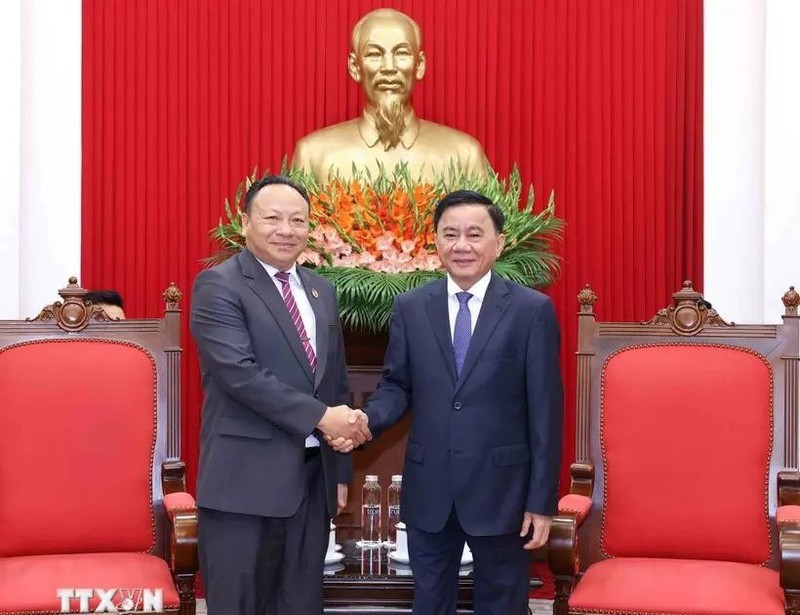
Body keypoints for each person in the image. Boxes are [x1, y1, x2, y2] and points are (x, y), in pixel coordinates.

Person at [330, 190, 563, 614]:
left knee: (503, 604)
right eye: (450, 234)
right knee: (430, 601)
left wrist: (541, 501)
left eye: (475, 234)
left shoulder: (532, 311)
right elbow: (398, 386)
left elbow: (545, 412)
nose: (462, 245)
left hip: (503, 492)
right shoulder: (412, 307)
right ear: (435, 242)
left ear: (499, 242)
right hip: (430, 488)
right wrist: (365, 419)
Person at [189, 175, 372, 614]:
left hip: (311, 481)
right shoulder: (220, 285)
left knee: (301, 603)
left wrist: (340, 468)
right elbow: (239, 374)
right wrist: (321, 418)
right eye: (272, 218)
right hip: (243, 483)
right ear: (245, 222)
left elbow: (334, 383)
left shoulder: (320, 290)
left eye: (297, 220)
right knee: (241, 604)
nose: (285, 230)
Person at [292, 8, 490, 183]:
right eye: (374, 55)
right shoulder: (313, 155)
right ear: (355, 67)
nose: (388, 68)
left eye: (402, 53)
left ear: (419, 66)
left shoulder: (465, 155)